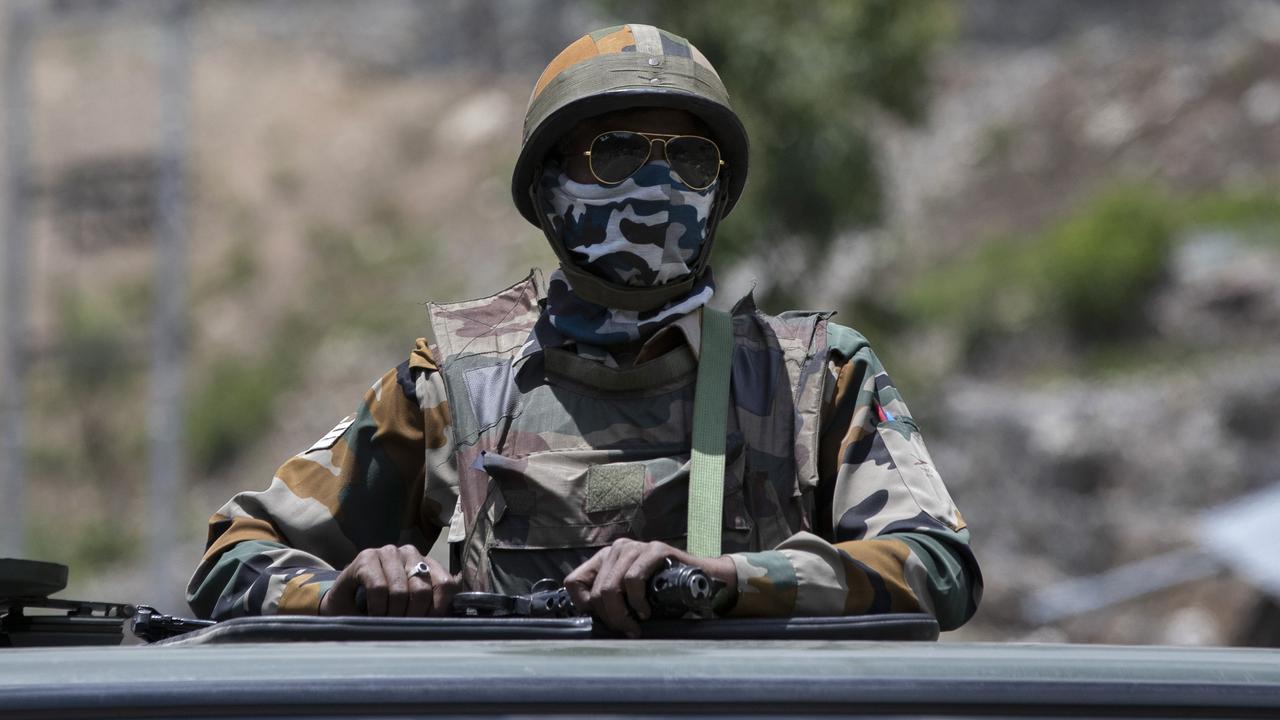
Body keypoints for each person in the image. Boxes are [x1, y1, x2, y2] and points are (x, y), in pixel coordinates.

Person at [187, 24, 982, 637]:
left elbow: (938, 566)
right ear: (548, 183)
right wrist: (348, 589)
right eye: (619, 153)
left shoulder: (812, 377)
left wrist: (732, 578)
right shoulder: (454, 385)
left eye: (692, 162)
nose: (661, 185)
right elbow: (235, 554)